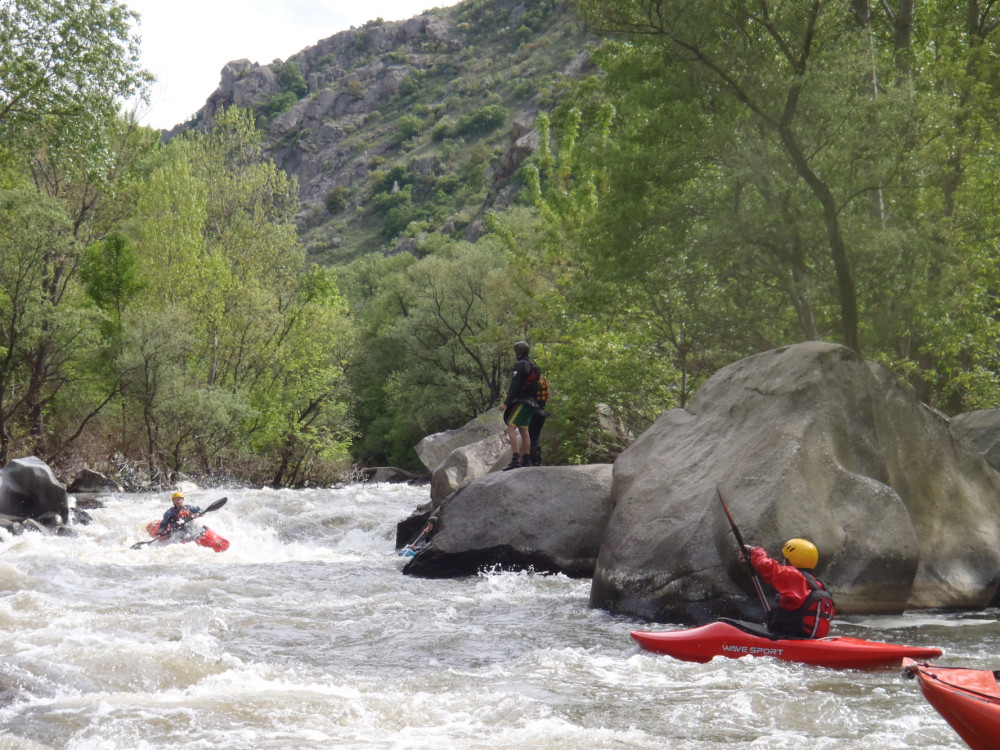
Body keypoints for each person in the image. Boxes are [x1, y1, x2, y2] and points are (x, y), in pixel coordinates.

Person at [744, 538, 835, 639]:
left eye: (785, 559)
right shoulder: (818, 584)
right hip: (808, 638)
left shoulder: (794, 577)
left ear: (790, 561)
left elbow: (765, 566)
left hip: (791, 637)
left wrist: (753, 551)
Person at [496, 340, 540, 470]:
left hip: (522, 401)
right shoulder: (533, 364)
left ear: (518, 352)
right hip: (532, 403)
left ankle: (516, 459)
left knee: (510, 429)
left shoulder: (520, 365)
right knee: (524, 430)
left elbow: (515, 385)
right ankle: (526, 459)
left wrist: (506, 403)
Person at [527, 372, 549, 467]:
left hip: (533, 412)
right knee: (535, 437)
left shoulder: (531, 384)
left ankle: (533, 459)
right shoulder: (544, 382)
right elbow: (546, 395)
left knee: (530, 436)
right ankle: (538, 458)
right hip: (542, 411)